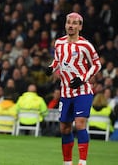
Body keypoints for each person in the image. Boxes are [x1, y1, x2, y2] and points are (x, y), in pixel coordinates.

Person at [46, 12, 102, 165]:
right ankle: (67, 162)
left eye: (75, 23)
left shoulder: (85, 45)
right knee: (64, 127)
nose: (71, 25)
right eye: (69, 22)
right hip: (65, 92)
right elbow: (57, 61)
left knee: (79, 124)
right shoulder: (59, 43)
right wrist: (51, 68)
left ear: (80, 26)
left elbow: (97, 64)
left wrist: (83, 79)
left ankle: (82, 161)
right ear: (65, 24)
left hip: (82, 91)